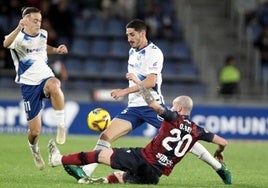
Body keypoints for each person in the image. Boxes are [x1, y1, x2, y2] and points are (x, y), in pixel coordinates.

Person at [63, 18, 231, 184]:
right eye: (127, 35)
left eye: (132, 34)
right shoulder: (132, 52)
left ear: (142, 33)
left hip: (151, 106)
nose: (129, 38)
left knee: (184, 136)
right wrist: (128, 93)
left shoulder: (154, 53)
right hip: (134, 107)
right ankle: (85, 171)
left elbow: (150, 82)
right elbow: (136, 79)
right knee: (106, 136)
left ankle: (218, 167)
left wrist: (124, 91)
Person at [48, 82, 232, 184]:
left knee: (99, 155)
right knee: (125, 177)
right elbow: (223, 141)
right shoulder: (197, 130)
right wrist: (220, 151)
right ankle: (100, 180)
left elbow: (152, 104)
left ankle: (58, 160)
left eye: (174, 105)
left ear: (180, 107)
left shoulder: (172, 117)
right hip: (155, 175)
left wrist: (137, 83)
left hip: (141, 159)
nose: (171, 106)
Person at [3, 6, 68, 170]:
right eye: (35, 20)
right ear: (25, 21)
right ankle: (34, 149)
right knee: (35, 132)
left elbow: (42, 46)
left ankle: (61, 126)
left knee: (55, 84)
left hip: (45, 77)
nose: (39, 23)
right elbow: (5, 43)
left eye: (40, 20)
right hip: (28, 85)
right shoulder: (17, 38)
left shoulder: (43, 34)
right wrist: (18, 27)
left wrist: (56, 50)